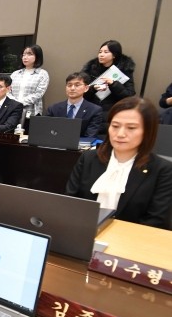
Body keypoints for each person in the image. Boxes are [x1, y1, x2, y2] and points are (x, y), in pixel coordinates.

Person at [65, 97, 172, 229]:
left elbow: (156, 221)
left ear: (147, 131)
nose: (120, 134)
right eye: (115, 126)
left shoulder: (163, 170)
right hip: (83, 233)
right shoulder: (88, 158)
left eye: (131, 128)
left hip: (130, 242)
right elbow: (70, 202)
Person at [81, 40, 136, 133]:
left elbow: (129, 96)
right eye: (100, 52)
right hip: (91, 112)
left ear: (114, 55)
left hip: (112, 113)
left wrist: (113, 84)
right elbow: (81, 93)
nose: (101, 55)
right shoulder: (90, 70)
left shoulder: (124, 71)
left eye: (106, 52)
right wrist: (93, 88)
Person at [45, 72, 103, 138]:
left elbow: (90, 136)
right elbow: (47, 132)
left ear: (86, 88)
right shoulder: (53, 108)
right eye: (69, 85)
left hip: (81, 146)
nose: (72, 88)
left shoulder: (94, 110)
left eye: (77, 85)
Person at [9, 44, 49, 117]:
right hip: (12, 110)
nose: (25, 57)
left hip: (31, 112)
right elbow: (7, 90)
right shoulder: (15, 74)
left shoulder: (42, 74)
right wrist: (14, 103)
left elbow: (38, 94)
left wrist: (19, 103)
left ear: (37, 56)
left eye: (29, 54)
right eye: (23, 55)